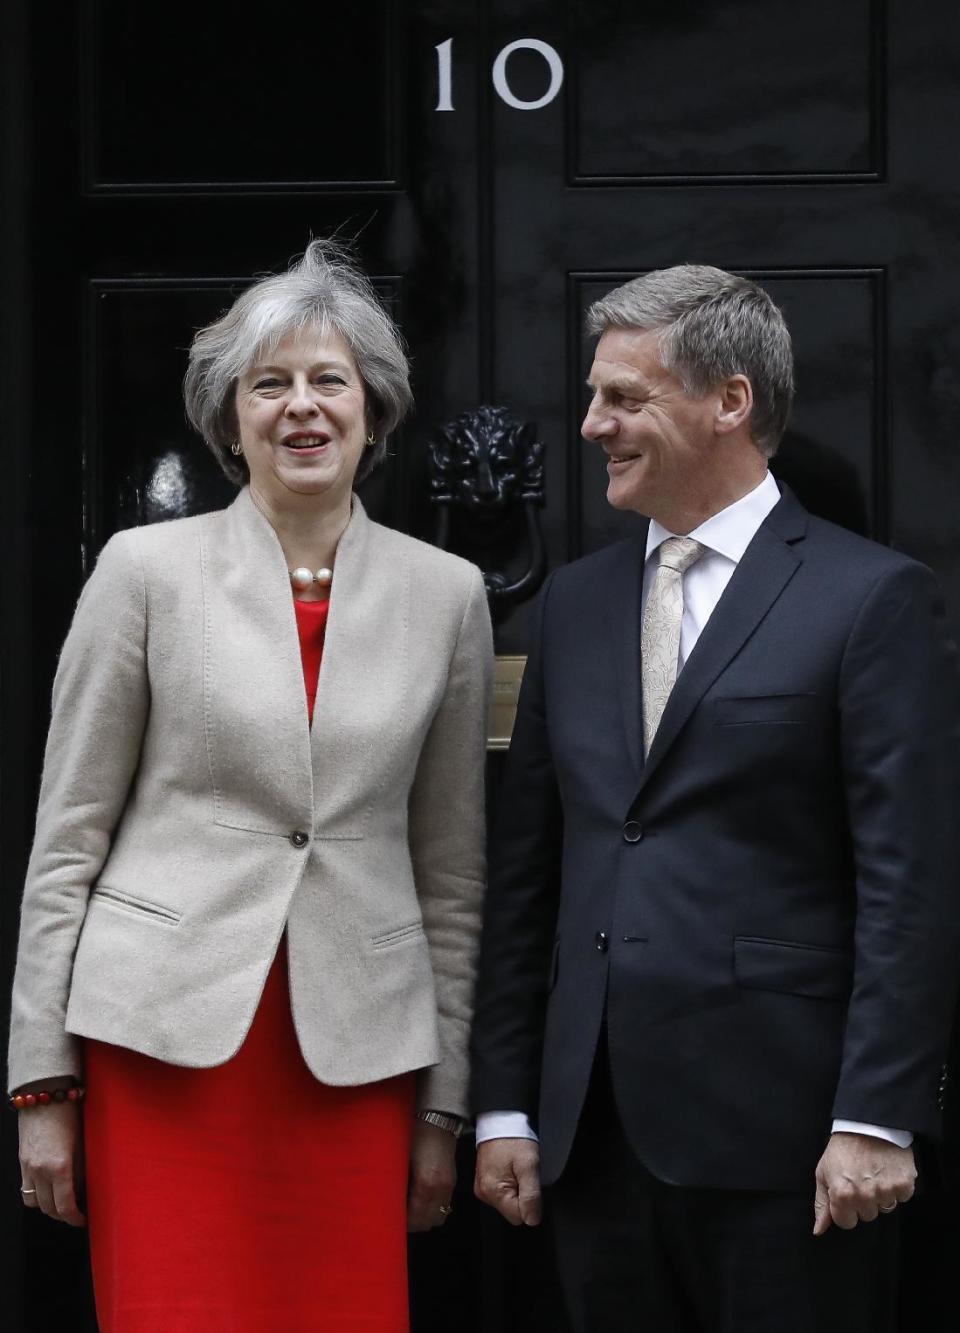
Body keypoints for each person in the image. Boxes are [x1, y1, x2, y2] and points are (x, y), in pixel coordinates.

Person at [8, 238, 492, 1332]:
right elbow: (67, 838)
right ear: (230, 420)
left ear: (375, 408)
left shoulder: (447, 594)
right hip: (164, 1048)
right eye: (268, 384)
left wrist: (445, 1104)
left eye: (330, 380)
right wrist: (42, 1082)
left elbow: (452, 871)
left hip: (356, 1056)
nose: (301, 407)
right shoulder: (144, 572)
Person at [470, 265, 960, 1333]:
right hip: (590, 1138)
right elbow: (529, 874)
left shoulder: (868, 597)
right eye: (595, 397)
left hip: (794, 1146)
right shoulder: (573, 604)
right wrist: (504, 1101)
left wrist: (876, 1114)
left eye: (624, 398)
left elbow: (908, 883)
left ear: (730, 402)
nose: (593, 424)